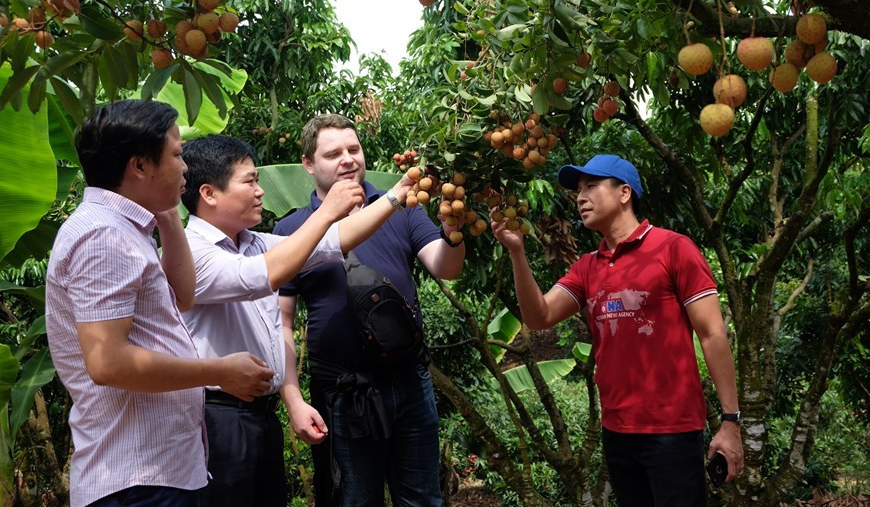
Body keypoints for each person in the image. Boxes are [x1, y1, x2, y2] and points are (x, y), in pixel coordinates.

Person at [45, 100, 274, 507]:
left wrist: (167, 215)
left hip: (158, 469)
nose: (185, 166)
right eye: (176, 154)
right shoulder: (103, 236)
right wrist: (217, 370)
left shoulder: (125, 228)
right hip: (135, 479)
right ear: (139, 166)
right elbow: (108, 362)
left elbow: (183, 296)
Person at [491, 154, 744, 506]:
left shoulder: (674, 248)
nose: (580, 197)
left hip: (672, 430)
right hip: (617, 432)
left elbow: (713, 334)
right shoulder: (587, 267)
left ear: (624, 193)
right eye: (578, 190)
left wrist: (731, 422)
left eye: (591, 186)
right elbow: (539, 316)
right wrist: (517, 253)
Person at [179, 134, 416, 506]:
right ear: (209, 193)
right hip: (217, 416)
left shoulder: (256, 242)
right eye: (249, 181)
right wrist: (326, 211)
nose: (260, 191)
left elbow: (334, 241)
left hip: (260, 414)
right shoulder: (190, 252)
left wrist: (396, 193)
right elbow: (261, 275)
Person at [273, 114, 466, 506]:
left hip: (409, 382)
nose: (347, 159)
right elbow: (281, 323)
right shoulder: (292, 228)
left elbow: (446, 266)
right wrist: (292, 397)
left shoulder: (403, 208)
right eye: (333, 153)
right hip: (342, 393)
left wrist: (453, 230)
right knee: (354, 501)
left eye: (353, 149)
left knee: (423, 500)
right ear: (308, 164)